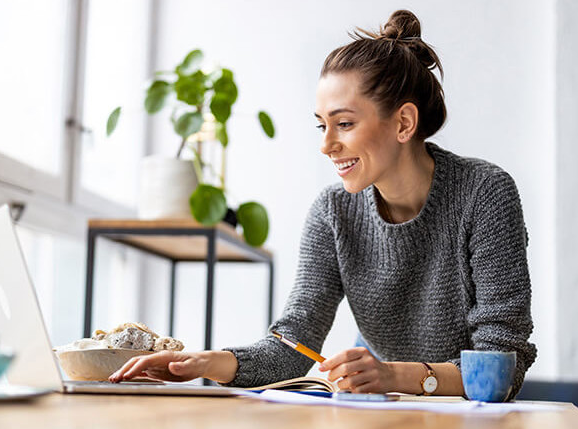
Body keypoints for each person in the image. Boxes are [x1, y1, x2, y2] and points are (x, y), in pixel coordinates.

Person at [109, 9, 536, 399]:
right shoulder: (333, 212)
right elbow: (294, 345)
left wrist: (392, 375)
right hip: (382, 411)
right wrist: (208, 363)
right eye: (322, 126)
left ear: (404, 122)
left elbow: (501, 367)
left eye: (344, 124)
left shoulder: (485, 193)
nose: (327, 145)